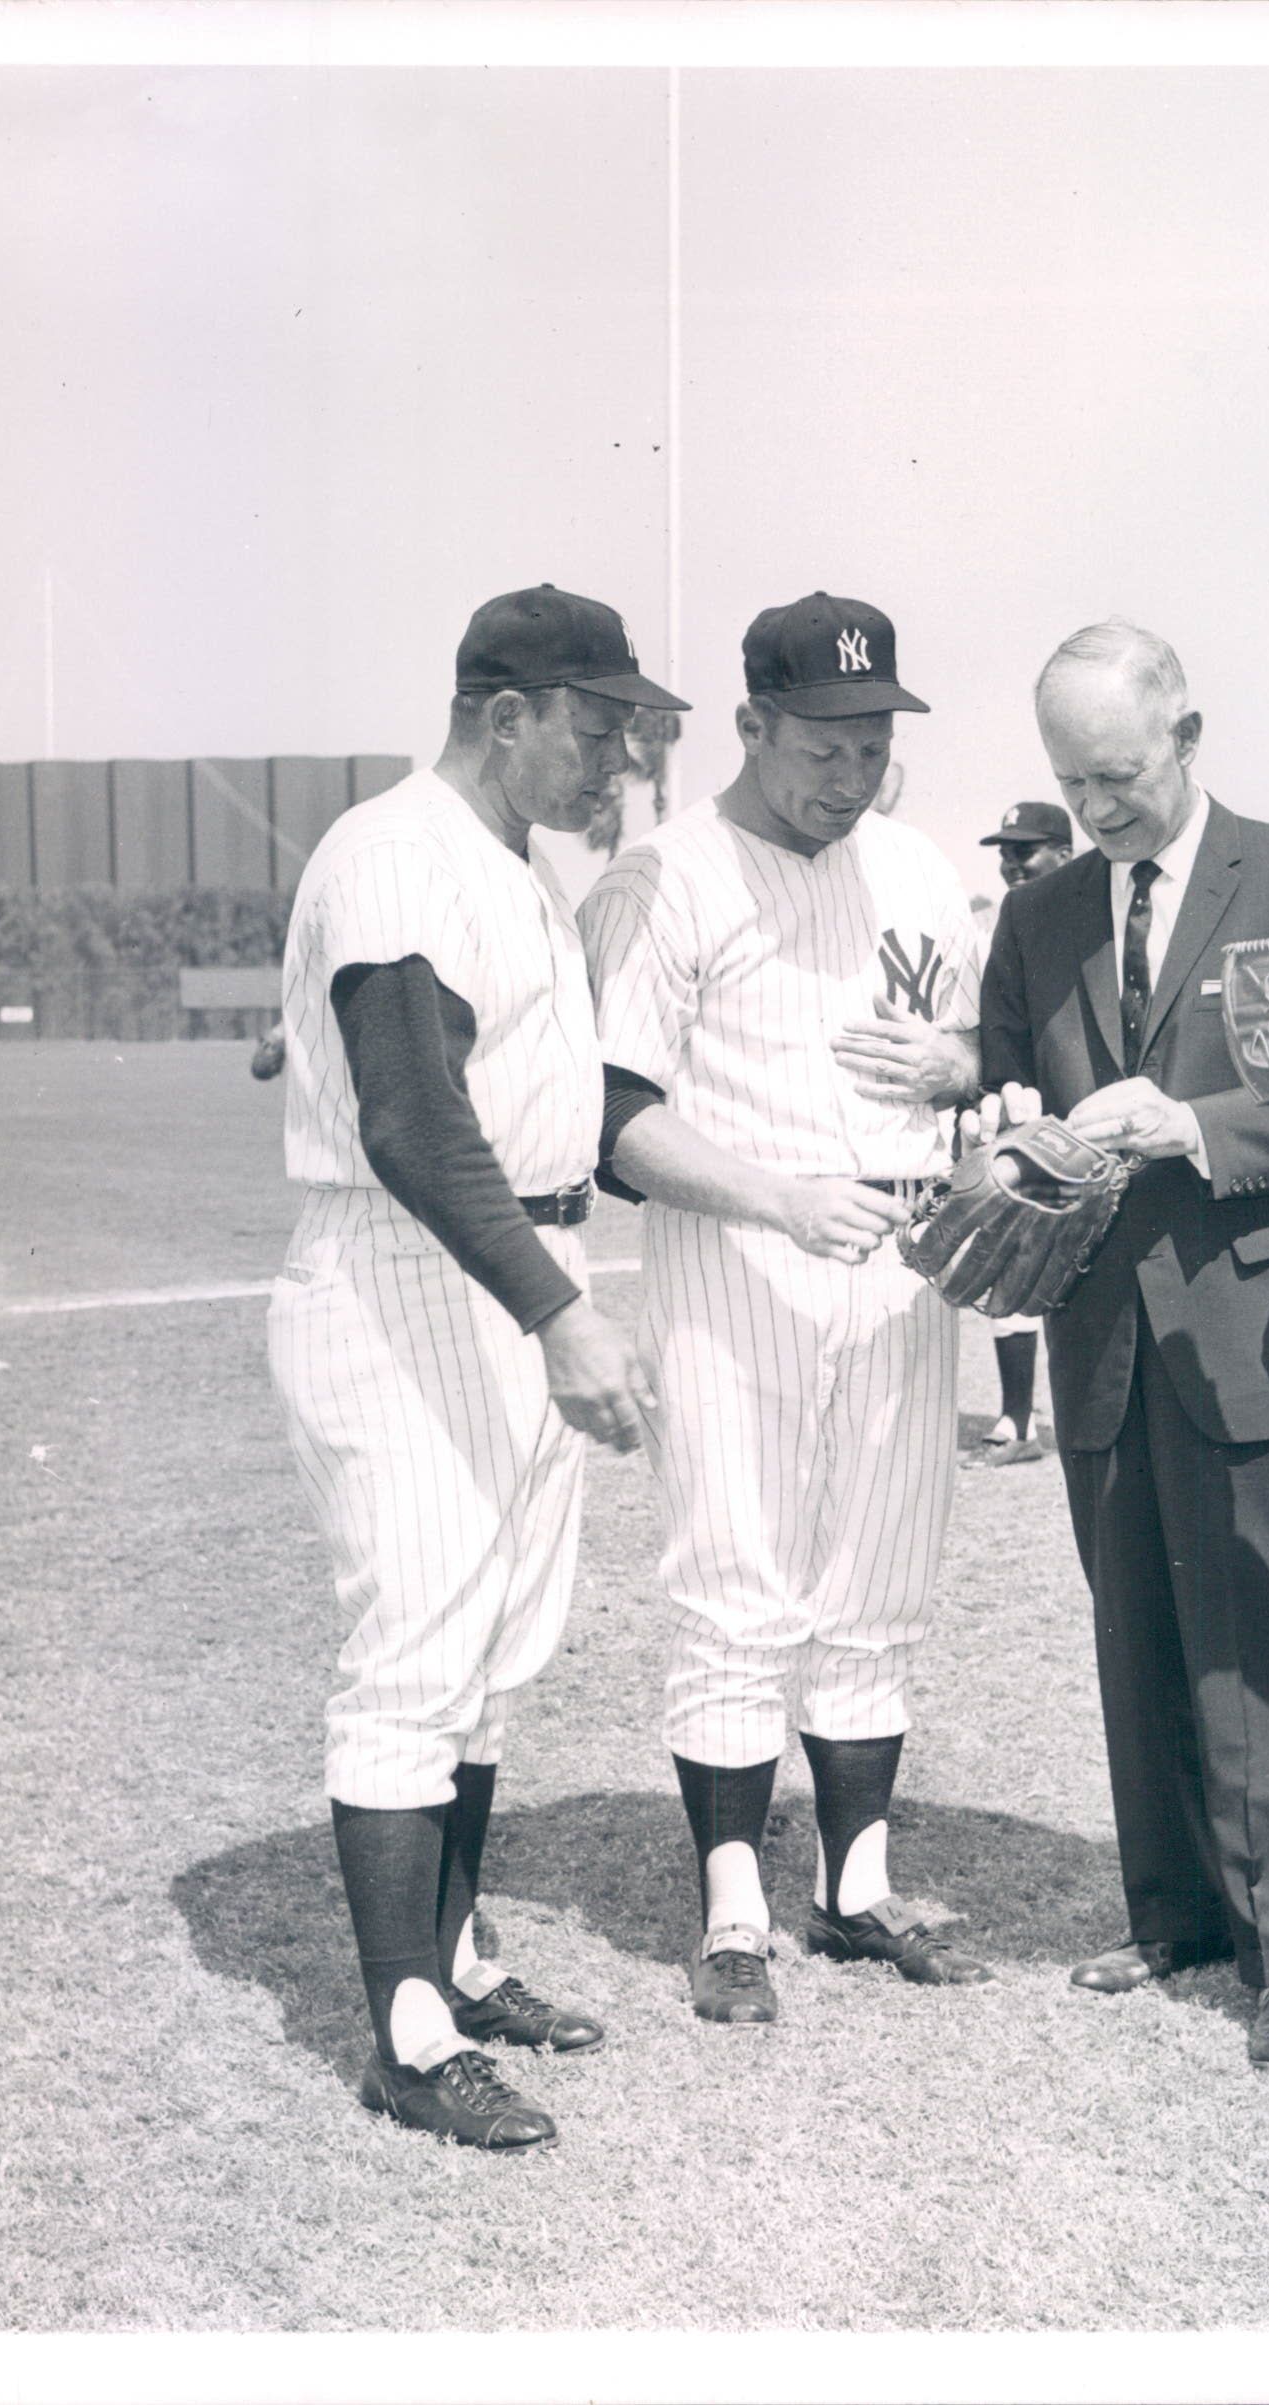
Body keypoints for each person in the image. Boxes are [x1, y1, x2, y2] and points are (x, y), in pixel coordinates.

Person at [267, 585, 686, 2152]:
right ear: (503, 715)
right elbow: (411, 1120)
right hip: (408, 1273)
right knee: (413, 1656)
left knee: (493, 1657)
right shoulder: (393, 854)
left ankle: (452, 1954)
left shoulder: (511, 867)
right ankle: (407, 2033)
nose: (618, 762)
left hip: (511, 1262)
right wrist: (553, 1308)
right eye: (595, 726)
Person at [978, 619, 1269, 2074]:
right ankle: (1170, 1917)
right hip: (1098, 1326)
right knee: (1134, 1627)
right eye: (1067, 781)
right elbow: (1005, 1081)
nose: (1094, 809)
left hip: (1257, 1324)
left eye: (1116, 776)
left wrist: (1194, 1126)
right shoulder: (1033, 916)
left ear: (1186, 735)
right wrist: (986, 1112)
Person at [581, 591, 993, 2027]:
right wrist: (777, 1200)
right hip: (737, 1250)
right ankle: (734, 1906)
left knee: (877, 1575)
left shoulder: (922, 873)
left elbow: (972, 1048)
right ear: (751, 724)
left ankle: (857, 1883)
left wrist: (962, 1075)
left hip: (904, 1249)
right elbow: (615, 1121)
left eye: (874, 740)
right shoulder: (665, 877)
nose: (851, 769)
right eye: (822, 740)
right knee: (735, 1578)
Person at [969, 801, 1078, 1467]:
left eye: (1025, 850)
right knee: (1012, 1266)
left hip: (1092, 1123)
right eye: (1004, 852)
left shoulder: (1103, 922)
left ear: (1064, 852)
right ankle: (1018, 1415)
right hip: (1022, 1117)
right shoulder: (997, 921)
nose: (1011, 864)